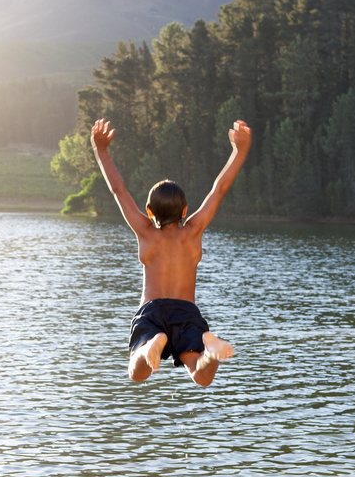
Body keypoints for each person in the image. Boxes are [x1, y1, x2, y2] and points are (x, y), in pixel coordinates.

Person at [91, 118, 252, 387]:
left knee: (137, 372)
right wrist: (240, 150)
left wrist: (101, 150)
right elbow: (219, 189)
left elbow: (118, 190)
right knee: (201, 376)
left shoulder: (145, 231)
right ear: (185, 211)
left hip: (152, 311)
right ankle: (210, 353)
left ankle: (151, 345)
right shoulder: (193, 231)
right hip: (186, 312)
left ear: (150, 212)